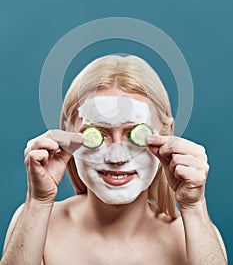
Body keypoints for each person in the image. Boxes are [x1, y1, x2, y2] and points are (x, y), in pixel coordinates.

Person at [1, 55, 227, 265]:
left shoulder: (189, 236)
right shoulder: (38, 223)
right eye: (97, 135)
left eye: (134, 135)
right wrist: (38, 201)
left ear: (167, 135)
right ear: (67, 135)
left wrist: (195, 207)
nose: (117, 158)